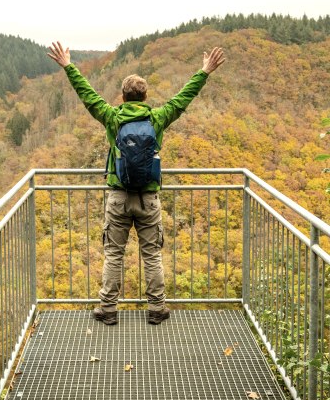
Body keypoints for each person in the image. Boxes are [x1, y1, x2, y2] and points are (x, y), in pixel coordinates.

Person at [47, 42, 225, 325]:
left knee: (114, 254)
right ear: (145, 96)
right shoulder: (157, 118)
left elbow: (88, 95)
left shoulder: (113, 117)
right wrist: (204, 71)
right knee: (151, 254)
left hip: (118, 196)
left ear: (122, 96)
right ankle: (156, 309)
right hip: (149, 199)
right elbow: (182, 99)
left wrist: (69, 66)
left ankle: (108, 309)